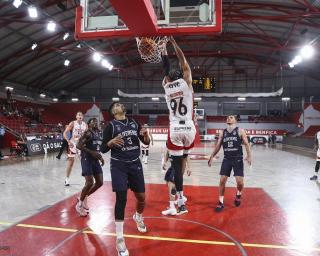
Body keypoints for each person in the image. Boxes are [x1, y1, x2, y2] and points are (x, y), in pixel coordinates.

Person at [101, 102, 150, 256]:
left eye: (120, 104)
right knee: (121, 198)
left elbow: (146, 142)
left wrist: (146, 135)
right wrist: (110, 142)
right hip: (118, 166)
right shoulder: (110, 126)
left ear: (123, 110)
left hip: (135, 164)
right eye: (115, 105)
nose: (118, 105)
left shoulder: (134, 122)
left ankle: (138, 216)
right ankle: (120, 240)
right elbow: (103, 148)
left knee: (141, 198)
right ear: (113, 111)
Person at [161, 36, 196, 215]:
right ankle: (180, 202)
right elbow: (182, 61)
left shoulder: (167, 87)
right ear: (181, 75)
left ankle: (180, 201)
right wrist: (174, 43)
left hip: (175, 128)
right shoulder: (187, 83)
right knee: (182, 161)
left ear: (168, 78)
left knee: (175, 167)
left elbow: (165, 67)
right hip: (189, 128)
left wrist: (163, 50)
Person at [208, 115, 252, 212]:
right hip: (227, 159)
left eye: (231, 117)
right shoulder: (222, 132)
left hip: (238, 159)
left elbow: (247, 144)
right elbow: (218, 146)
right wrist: (211, 156)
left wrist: (249, 156)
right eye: (228, 117)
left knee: (240, 182)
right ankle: (220, 202)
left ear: (235, 120)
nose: (229, 118)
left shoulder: (240, 131)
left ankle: (238, 194)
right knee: (222, 180)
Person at [75, 118, 104, 216]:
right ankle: (79, 205)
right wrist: (92, 152)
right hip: (86, 159)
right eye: (93, 121)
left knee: (100, 182)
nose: (95, 123)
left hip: (95, 160)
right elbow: (78, 145)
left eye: (96, 121)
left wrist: (100, 157)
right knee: (89, 182)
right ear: (88, 124)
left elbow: (97, 148)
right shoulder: (87, 133)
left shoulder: (99, 133)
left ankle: (83, 197)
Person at [161, 148, 190, 216]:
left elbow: (186, 156)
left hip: (178, 168)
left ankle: (172, 208)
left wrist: (188, 167)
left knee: (172, 185)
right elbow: (167, 151)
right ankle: (181, 198)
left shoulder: (181, 143)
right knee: (168, 182)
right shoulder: (170, 141)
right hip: (172, 166)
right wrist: (164, 162)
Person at [63, 112, 88, 186]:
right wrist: (68, 141)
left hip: (81, 145)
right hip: (73, 144)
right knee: (71, 163)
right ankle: (67, 179)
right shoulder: (72, 123)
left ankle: (87, 179)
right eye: (78, 115)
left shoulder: (85, 125)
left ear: (82, 117)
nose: (80, 116)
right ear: (76, 116)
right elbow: (64, 133)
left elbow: (87, 136)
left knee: (84, 162)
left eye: (81, 115)